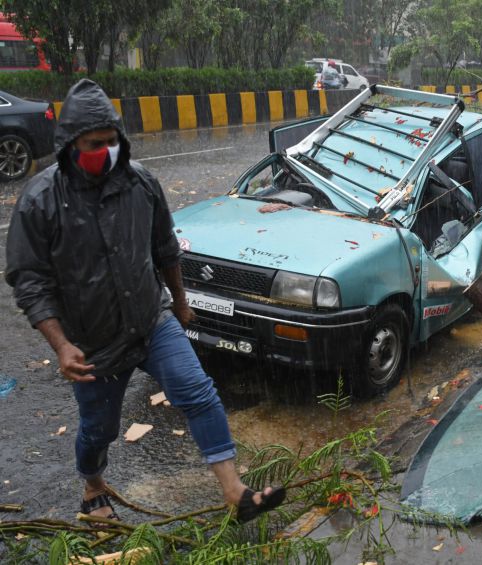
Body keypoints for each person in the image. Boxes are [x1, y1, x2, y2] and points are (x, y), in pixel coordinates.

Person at [4, 79, 284, 523]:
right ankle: (93, 487)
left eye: (113, 141)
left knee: (197, 391)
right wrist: (61, 346)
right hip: (92, 342)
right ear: (70, 144)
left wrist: (180, 301)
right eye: (96, 143)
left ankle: (236, 492)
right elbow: (28, 280)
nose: (107, 150)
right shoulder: (41, 200)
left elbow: (165, 247)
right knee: (99, 430)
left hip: (151, 320)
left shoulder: (140, 184)